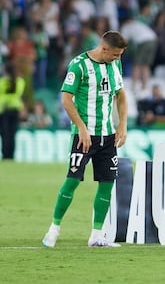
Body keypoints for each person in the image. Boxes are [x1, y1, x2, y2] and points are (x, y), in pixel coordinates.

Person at [42, 31, 128, 248]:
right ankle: (54, 229)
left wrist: (122, 125)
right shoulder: (78, 65)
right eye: (116, 54)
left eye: (120, 55)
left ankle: (97, 235)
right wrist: (81, 127)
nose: (118, 58)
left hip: (107, 136)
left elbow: (121, 96)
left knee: (107, 184)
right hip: (84, 137)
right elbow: (66, 99)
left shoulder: (115, 65)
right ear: (104, 48)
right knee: (72, 181)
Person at [0, 63, 25, 159]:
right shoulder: (19, 82)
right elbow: (19, 94)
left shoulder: (2, 82)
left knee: (4, 133)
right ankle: (11, 155)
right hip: (15, 110)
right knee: (12, 133)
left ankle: (5, 154)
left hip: (3, 110)